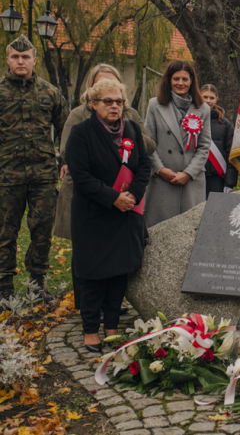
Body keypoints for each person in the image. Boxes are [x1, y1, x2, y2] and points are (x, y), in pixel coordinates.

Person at [53, 64, 156, 311]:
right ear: (93, 93)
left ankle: (112, 304)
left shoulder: (129, 116)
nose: (113, 103)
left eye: (117, 95)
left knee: (116, 251)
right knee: (86, 254)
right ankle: (85, 306)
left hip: (124, 190)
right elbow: (67, 150)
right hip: (89, 193)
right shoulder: (79, 114)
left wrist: (125, 138)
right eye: (102, 87)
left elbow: (149, 146)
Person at [67, 78, 151, 352]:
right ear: (93, 104)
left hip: (125, 215)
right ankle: (91, 329)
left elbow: (144, 166)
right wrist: (112, 197)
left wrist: (132, 196)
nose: (115, 106)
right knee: (94, 276)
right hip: (94, 215)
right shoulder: (81, 133)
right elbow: (81, 176)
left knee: (118, 274)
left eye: (119, 101)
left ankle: (112, 327)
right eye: (108, 101)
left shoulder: (133, 130)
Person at [0, 35, 69, 305]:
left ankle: (36, 284)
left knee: (42, 231)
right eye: (15, 57)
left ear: (34, 60)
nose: (20, 61)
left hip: (43, 175)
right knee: (5, 232)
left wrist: (65, 158)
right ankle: (4, 286)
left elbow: (66, 128)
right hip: (7, 175)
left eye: (25, 57)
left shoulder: (50, 92)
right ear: (7, 60)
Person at [144, 61, 211, 227]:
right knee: (159, 232)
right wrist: (160, 169)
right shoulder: (154, 105)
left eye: (185, 79)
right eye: (176, 79)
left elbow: (204, 147)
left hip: (191, 182)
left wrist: (188, 173)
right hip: (162, 181)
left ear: (191, 81)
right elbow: (148, 143)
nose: (180, 83)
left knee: (190, 232)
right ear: (168, 80)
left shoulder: (203, 108)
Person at [200, 85, 238, 196]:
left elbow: (231, 154)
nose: (208, 101)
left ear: (216, 99)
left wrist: (229, 183)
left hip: (216, 178)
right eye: (205, 97)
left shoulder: (225, 124)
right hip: (196, 176)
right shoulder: (191, 120)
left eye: (211, 98)